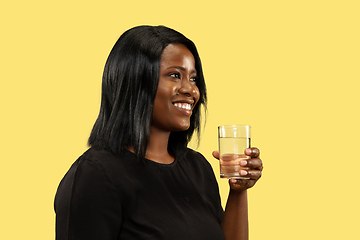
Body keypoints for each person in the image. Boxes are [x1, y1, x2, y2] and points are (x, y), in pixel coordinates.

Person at [54, 25, 263, 240]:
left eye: (193, 78)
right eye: (174, 75)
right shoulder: (95, 175)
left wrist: (238, 191)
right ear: (135, 82)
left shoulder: (197, 168)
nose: (191, 90)